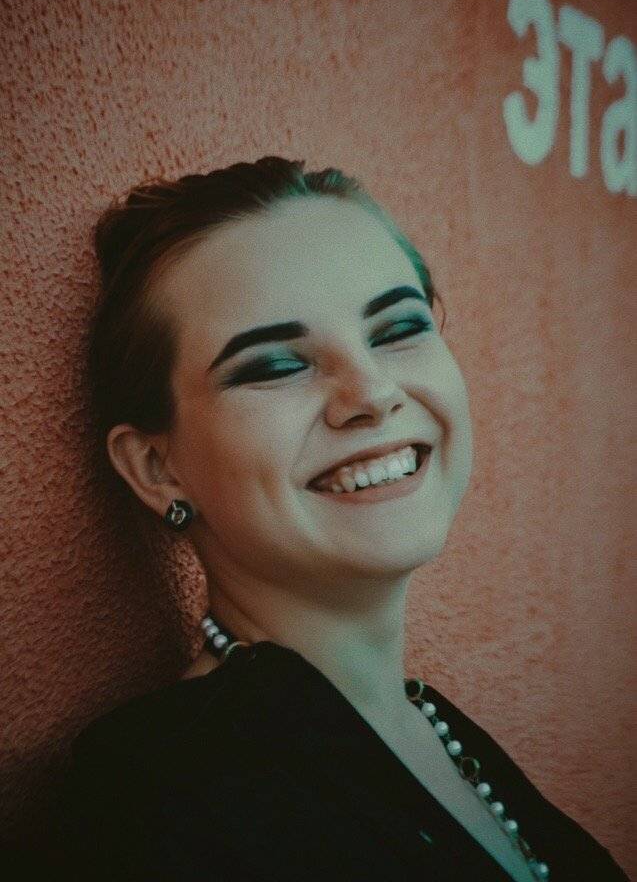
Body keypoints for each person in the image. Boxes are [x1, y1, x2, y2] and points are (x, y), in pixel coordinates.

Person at [61, 157, 629, 881]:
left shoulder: (439, 731)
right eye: (274, 366)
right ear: (155, 468)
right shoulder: (156, 793)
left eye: (398, 328)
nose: (372, 392)